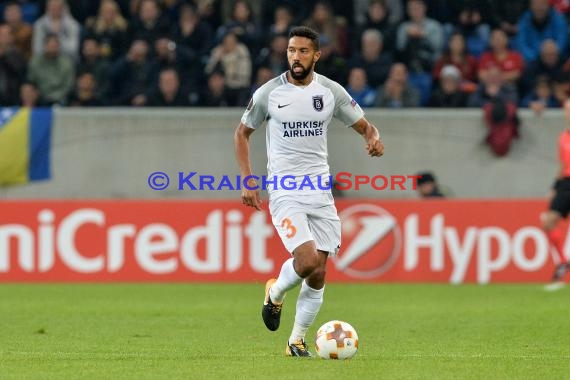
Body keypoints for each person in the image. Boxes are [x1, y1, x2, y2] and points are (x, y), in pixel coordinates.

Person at [234, 26, 383, 357]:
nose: (295, 57)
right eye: (291, 50)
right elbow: (242, 133)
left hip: (320, 192)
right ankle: (274, 293)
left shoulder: (330, 92)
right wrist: (247, 178)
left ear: (316, 55)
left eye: (302, 51)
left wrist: (372, 137)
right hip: (286, 190)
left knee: (318, 271)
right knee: (305, 260)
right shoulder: (269, 93)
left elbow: (364, 124)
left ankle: (296, 341)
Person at [542, 98, 570, 289]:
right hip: (566, 183)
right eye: (566, 109)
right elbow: (562, 164)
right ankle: (562, 262)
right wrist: (554, 186)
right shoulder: (563, 137)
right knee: (548, 222)